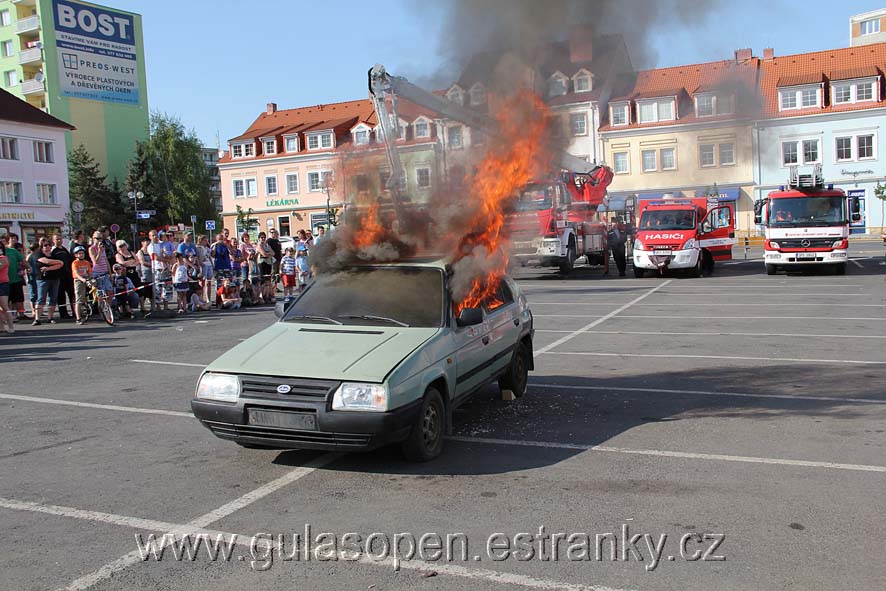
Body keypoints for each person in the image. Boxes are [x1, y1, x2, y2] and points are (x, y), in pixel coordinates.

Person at [34, 242, 63, 325]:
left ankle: (50, 317)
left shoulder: (54, 254)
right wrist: (56, 262)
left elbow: (60, 264)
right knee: (41, 298)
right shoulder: (38, 254)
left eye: (49, 245)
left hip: (54, 279)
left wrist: (48, 268)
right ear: (42, 247)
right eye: (45, 245)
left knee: (53, 298)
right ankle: (37, 319)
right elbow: (46, 261)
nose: (47, 247)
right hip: (42, 279)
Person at [51, 234, 75, 319]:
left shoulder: (64, 249)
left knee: (72, 294)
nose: (59, 240)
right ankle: (63, 313)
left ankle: (75, 312)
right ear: (53, 240)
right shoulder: (53, 251)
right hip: (59, 276)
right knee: (61, 296)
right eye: (57, 239)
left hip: (68, 275)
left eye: (60, 239)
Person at [3, 233, 25, 322]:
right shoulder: (4, 251)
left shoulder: (14, 250)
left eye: (15, 238)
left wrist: (27, 267)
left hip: (15, 278)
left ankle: (16, 315)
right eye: (12, 238)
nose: (13, 240)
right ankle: (7, 316)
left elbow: (22, 260)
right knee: (6, 300)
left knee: (16, 299)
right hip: (5, 279)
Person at [88, 230, 112, 301]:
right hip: (97, 273)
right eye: (97, 238)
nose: (99, 240)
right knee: (100, 294)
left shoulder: (103, 248)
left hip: (105, 272)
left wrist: (110, 273)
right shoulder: (91, 248)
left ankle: (108, 308)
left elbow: (106, 260)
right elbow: (96, 261)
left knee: (110, 292)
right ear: (93, 238)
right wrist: (99, 251)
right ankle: (101, 308)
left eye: (101, 238)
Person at [71, 245, 92, 324]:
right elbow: (76, 273)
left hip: (86, 279)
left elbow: (89, 272)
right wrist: (82, 279)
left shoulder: (86, 262)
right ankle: (78, 318)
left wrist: (90, 278)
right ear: (76, 255)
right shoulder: (75, 263)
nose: (81, 255)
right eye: (79, 253)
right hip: (79, 280)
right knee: (79, 299)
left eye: (82, 253)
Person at [135, 236, 153, 314]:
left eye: (148, 241)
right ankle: (142, 306)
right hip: (143, 274)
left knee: (151, 290)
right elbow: (142, 262)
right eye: (146, 241)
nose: (148, 243)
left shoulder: (150, 251)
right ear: (142, 243)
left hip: (152, 274)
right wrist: (153, 265)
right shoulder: (140, 252)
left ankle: (153, 306)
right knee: (143, 291)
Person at [256, 231, 275, 303]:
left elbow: (273, 253)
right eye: (261, 237)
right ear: (259, 238)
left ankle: (267, 295)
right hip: (262, 263)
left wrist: (268, 254)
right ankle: (261, 296)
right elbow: (263, 254)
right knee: (262, 280)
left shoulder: (267, 245)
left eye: (264, 237)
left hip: (268, 263)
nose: (263, 239)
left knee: (268, 279)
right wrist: (268, 254)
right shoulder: (259, 245)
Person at [0, 237, 13, 334]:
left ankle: (11, 326)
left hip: (2, 284)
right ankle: (1, 327)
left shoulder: (3, 258)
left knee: (4, 306)